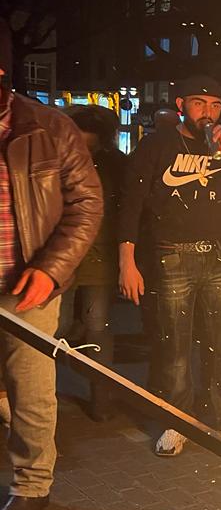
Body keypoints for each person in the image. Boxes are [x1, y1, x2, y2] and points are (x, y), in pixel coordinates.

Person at [118, 75, 221, 457]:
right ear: (181, 105)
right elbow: (131, 201)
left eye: (215, 105)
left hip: (219, 257)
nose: (208, 113)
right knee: (175, 347)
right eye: (199, 103)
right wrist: (127, 260)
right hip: (172, 256)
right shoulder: (158, 144)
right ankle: (177, 420)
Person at [0, 23, 103, 510]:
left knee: (32, 387)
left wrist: (51, 269)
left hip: (28, 288)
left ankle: (32, 485)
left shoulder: (49, 127)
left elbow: (87, 205)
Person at [58, 105, 125, 421]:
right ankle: (45, 396)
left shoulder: (112, 165)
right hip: (67, 259)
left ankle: (100, 400)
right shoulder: (64, 159)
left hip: (89, 259)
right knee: (70, 328)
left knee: (94, 330)